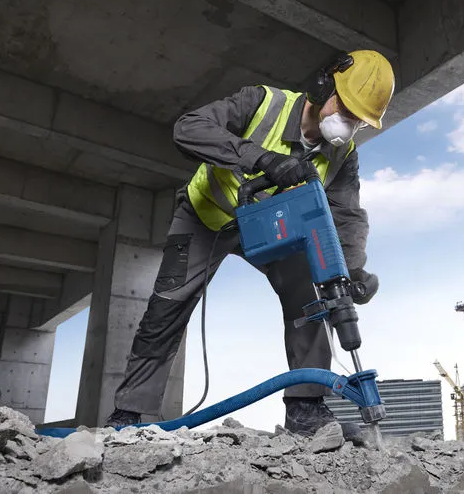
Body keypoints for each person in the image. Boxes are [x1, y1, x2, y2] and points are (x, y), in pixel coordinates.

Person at [105, 50, 395, 437]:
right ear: (322, 85)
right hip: (205, 217)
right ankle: (129, 413)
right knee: (165, 309)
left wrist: (348, 270)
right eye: (346, 107)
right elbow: (189, 128)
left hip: (272, 226)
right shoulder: (262, 103)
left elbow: (347, 215)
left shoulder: (344, 154)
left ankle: (305, 409)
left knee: (313, 295)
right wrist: (261, 159)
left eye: (359, 118)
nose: (349, 123)